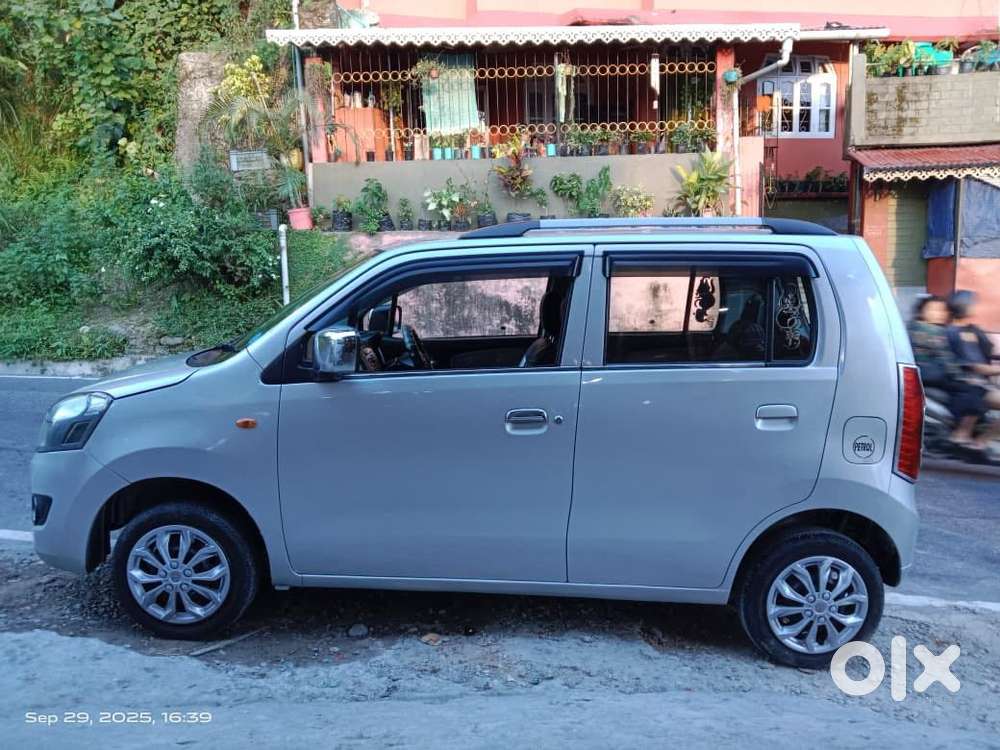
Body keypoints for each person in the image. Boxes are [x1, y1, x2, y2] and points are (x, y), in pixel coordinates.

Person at [908, 296, 995, 451]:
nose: (939, 313)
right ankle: (960, 435)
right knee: (972, 389)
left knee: (974, 387)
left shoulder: (946, 331)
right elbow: (947, 362)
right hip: (931, 374)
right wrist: (965, 377)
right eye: (933, 309)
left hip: (941, 374)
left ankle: (976, 439)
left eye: (942, 310)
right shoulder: (921, 329)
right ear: (921, 312)